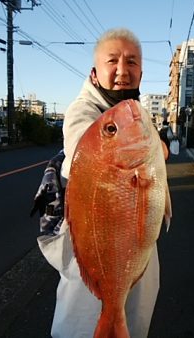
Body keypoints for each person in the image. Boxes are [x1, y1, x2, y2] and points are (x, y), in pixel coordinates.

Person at [35, 28, 163, 338]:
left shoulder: (130, 112)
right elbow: (87, 149)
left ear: (141, 72)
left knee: (131, 314)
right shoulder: (84, 112)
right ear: (95, 72)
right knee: (84, 320)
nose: (123, 70)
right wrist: (151, 147)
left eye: (131, 62)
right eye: (113, 60)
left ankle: (115, 317)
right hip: (101, 239)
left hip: (127, 242)